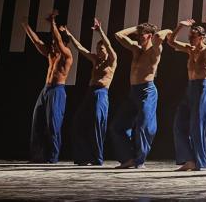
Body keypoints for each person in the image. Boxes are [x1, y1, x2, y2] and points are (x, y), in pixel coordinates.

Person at [109, 22, 172, 169]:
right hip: (133, 92)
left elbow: (158, 36)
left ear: (149, 36)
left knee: (143, 126)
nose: (138, 37)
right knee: (116, 126)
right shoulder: (136, 49)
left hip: (147, 91)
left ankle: (140, 160)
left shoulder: (155, 50)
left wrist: (169, 29)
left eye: (141, 34)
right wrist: (137, 28)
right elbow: (118, 35)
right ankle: (128, 158)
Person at [62, 17, 117, 166]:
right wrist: (70, 35)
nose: (99, 51)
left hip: (101, 94)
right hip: (90, 93)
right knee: (78, 122)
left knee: (96, 125)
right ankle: (83, 157)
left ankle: (97, 158)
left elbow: (109, 45)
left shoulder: (112, 60)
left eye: (101, 49)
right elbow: (80, 48)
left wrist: (100, 32)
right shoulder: (95, 60)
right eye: (98, 49)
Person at [167, 13, 206, 171]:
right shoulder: (190, 49)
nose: (190, 39)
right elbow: (171, 41)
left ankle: (199, 162)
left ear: (202, 37)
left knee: (197, 126)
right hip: (190, 88)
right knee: (179, 124)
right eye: (189, 36)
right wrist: (181, 26)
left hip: (202, 88)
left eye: (193, 36)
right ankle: (189, 159)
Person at [22, 10, 72, 163]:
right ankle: (37, 156)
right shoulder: (51, 54)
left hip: (57, 91)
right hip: (46, 90)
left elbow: (57, 40)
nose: (52, 43)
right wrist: (26, 26)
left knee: (53, 125)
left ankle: (52, 157)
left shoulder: (67, 55)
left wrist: (53, 23)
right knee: (37, 121)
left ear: (63, 44)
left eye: (56, 42)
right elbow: (37, 42)